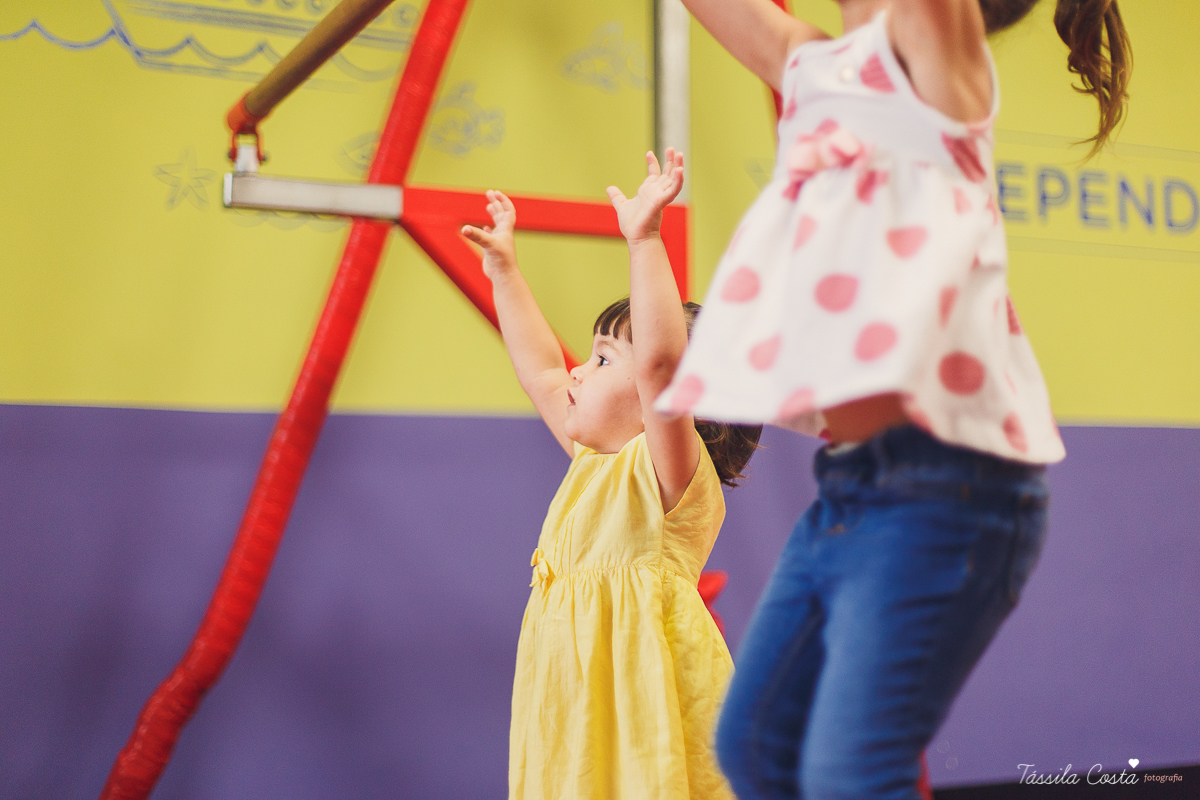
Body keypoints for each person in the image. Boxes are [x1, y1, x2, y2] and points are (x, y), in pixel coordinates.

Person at [651, 1, 1131, 798]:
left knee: (853, 775)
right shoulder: (812, 66)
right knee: (756, 746)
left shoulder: (940, 71)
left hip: (951, 492)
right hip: (851, 490)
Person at [462, 149, 762, 800]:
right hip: (572, 702)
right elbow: (542, 370)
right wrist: (506, 273)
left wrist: (645, 240)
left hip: (639, 700)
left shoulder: (666, 476)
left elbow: (659, 365)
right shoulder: (595, 466)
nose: (577, 369)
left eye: (601, 360)